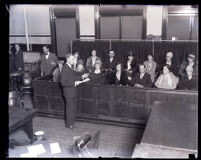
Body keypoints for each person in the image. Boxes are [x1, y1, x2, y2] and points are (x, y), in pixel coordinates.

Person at [60, 53, 89, 129]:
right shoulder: (65, 68)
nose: (74, 60)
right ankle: (69, 124)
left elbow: (74, 76)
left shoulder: (70, 67)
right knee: (70, 108)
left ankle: (72, 122)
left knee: (73, 107)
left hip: (73, 91)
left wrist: (82, 76)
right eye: (72, 59)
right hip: (69, 92)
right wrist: (74, 83)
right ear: (68, 59)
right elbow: (63, 82)